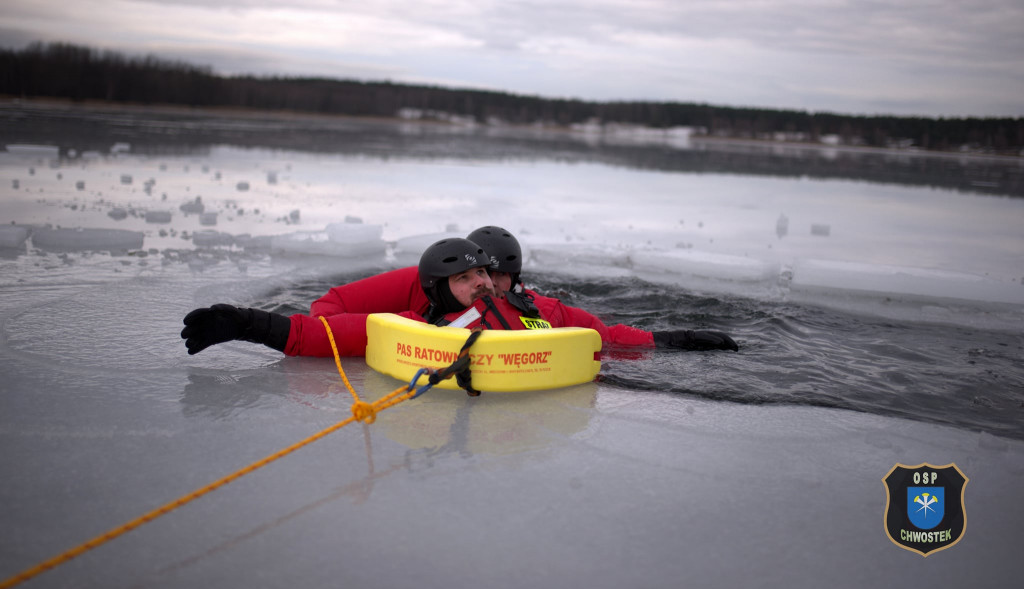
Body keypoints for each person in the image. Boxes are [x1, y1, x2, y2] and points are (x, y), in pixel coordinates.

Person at [181, 233, 738, 357]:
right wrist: (246, 322)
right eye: (473, 277)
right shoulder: (413, 319)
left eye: (490, 277)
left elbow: (601, 336)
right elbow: (319, 329)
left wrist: (673, 338)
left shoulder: (537, 311)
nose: (484, 286)